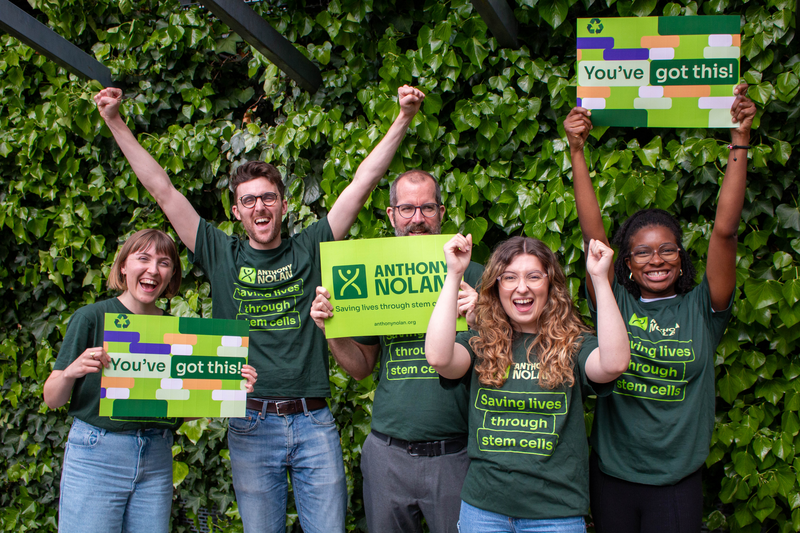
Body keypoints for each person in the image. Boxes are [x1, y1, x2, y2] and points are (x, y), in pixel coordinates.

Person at [94, 85, 424, 533]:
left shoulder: (313, 245)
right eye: (248, 200)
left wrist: (403, 116)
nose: (259, 206)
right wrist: (115, 121)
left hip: (313, 421)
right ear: (237, 211)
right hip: (249, 422)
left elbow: (362, 183)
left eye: (268, 197)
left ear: (284, 205)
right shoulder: (220, 253)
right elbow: (164, 191)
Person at [564, 83, 756, 532]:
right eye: (643, 253)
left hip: (677, 483)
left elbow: (724, 233)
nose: (656, 261)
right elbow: (594, 238)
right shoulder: (615, 301)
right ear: (625, 263)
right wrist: (576, 152)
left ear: (681, 256)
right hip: (612, 479)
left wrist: (740, 140)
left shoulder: (703, 307)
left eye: (667, 250)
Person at [43, 229, 258, 533]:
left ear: (171, 275)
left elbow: (177, 410)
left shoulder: (178, 332)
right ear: (123, 267)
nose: (153, 270)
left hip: (156, 457)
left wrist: (227, 388)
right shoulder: (92, 317)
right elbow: (52, 398)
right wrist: (70, 371)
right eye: (143, 258)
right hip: (97, 455)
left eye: (164, 262)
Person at [310, 169, 483, 533]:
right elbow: (361, 369)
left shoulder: (475, 276)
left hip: (455, 454)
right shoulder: (374, 274)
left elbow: (511, 358)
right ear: (391, 215)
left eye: (427, 208)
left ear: (442, 211)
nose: (417, 218)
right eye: (406, 209)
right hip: (388, 454)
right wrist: (332, 332)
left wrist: (485, 316)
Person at [424, 233, 631, 532]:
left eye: (534, 276)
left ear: (550, 284)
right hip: (483, 511)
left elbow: (614, 364)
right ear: (496, 287)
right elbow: (439, 357)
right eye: (509, 277)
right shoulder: (481, 343)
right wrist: (454, 273)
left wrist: (599, 278)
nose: (522, 287)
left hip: (555, 515)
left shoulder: (573, 345)